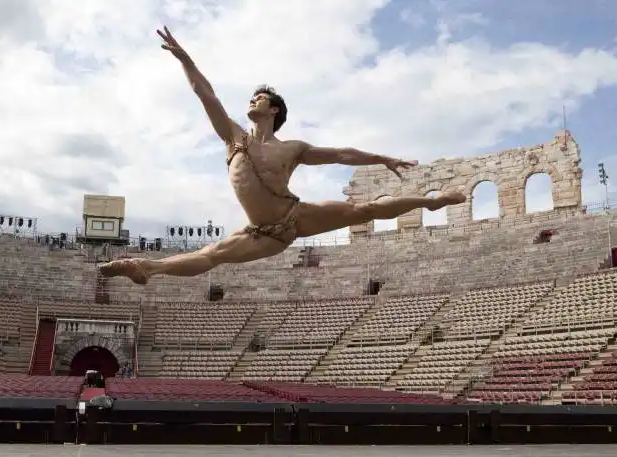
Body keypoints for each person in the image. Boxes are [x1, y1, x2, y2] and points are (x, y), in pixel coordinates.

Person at [99, 26, 466, 285]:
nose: (252, 101)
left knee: (364, 210)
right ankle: (145, 267)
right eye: (252, 98)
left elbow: (341, 154)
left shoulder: (292, 149)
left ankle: (431, 202)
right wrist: (185, 60)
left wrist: (380, 158)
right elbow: (206, 94)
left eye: (259, 99)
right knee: (213, 255)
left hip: (296, 217)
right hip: (262, 234)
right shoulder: (233, 137)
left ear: (274, 110)